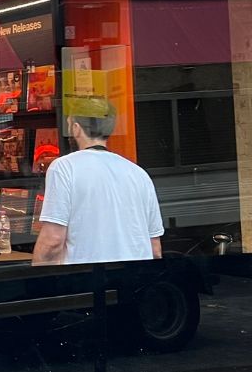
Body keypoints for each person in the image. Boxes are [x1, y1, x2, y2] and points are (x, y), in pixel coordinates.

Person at [31, 97, 163, 266]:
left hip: (87, 280)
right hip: (135, 281)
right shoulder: (138, 174)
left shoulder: (64, 168)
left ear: (76, 128)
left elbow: (53, 241)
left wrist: (37, 282)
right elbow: (155, 249)